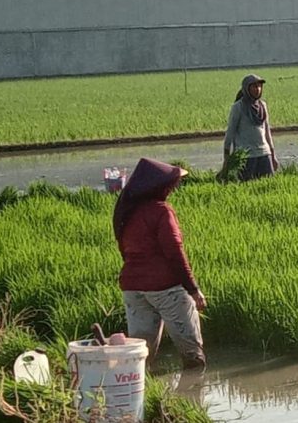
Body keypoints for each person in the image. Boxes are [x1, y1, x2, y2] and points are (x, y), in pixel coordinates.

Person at [113, 157, 207, 369]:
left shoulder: (126, 212)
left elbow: (124, 251)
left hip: (133, 288)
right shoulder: (161, 211)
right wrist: (193, 289)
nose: (172, 189)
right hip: (167, 290)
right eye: (170, 185)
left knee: (141, 357)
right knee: (193, 355)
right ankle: (194, 393)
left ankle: (140, 394)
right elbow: (175, 252)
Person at [223, 73, 279, 181]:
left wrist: (273, 155)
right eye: (254, 86)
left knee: (268, 185)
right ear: (246, 88)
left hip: (264, 153)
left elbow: (267, 132)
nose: (257, 89)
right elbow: (230, 133)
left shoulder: (263, 106)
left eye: (259, 86)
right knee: (247, 186)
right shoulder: (238, 107)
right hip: (247, 156)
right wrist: (226, 159)